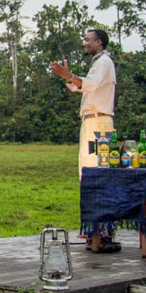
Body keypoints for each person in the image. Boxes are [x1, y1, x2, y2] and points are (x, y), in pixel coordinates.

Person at [50, 28, 118, 251]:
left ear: (99, 42)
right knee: (87, 174)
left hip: (98, 124)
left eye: (88, 40)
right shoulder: (98, 63)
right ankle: (93, 229)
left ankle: (103, 232)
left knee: (97, 175)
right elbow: (94, 88)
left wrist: (68, 76)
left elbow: (91, 84)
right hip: (92, 122)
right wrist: (77, 88)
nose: (84, 43)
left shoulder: (104, 63)